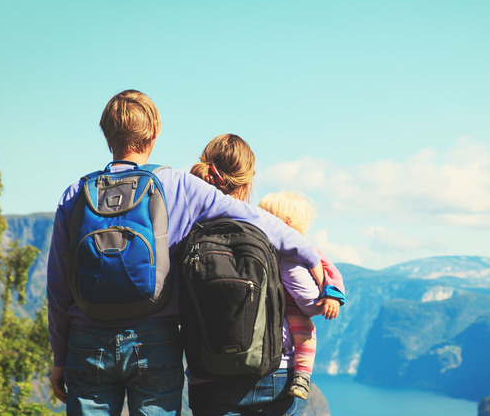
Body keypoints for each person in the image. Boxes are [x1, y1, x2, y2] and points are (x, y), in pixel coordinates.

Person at [46, 90, 324, 416]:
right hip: (154, 342)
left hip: (86, 340)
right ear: (155, 132)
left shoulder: (76, 193)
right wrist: (310, 256)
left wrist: (60, 357)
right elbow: (257, 220)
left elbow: (58, 286)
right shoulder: (178, 185)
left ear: (106, 134)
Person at [188, 135, 345, 412]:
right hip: (272, 369)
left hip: (208, 369)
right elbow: (308, 301)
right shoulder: (268, 227)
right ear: (248, 183)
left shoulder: (188, 222)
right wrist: (323, 285)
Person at [257, 191, 346, 400]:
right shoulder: (261, 247)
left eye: (265, 216)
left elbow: (331, 272)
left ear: (284, 222)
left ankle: (302, 376)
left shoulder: (308, 250)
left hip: (293, 308)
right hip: (272, 305)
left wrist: (332, 295)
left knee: (305, 330)